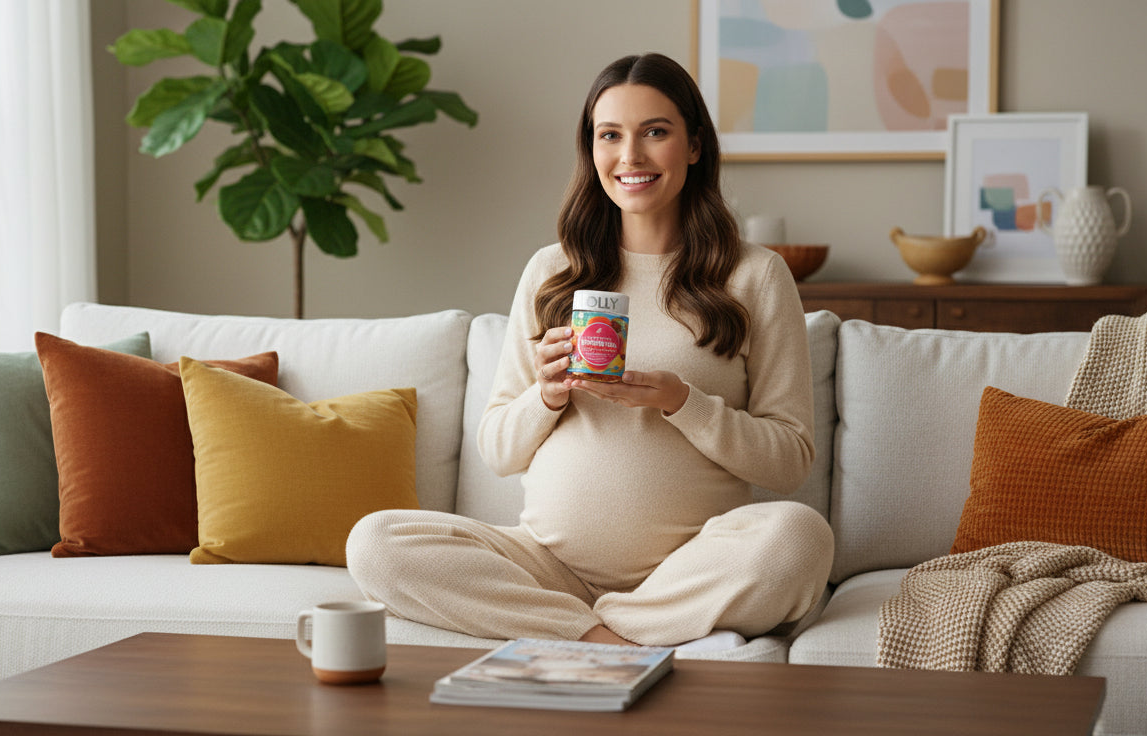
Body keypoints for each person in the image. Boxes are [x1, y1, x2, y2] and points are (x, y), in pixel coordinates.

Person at [347, 53, 833, 650]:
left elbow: (790, 460)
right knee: (374, 542)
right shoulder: (554, 271)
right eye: (610, 135)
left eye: (655, 132)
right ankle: (609, 637)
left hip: (689, 567)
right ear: (592, 149)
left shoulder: (755, 276)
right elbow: (499, 449)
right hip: (546, 569)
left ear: (695, 146)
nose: (630, 156)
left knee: (799, 538)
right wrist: (546, 396)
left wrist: (683, 402)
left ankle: (598, 629)